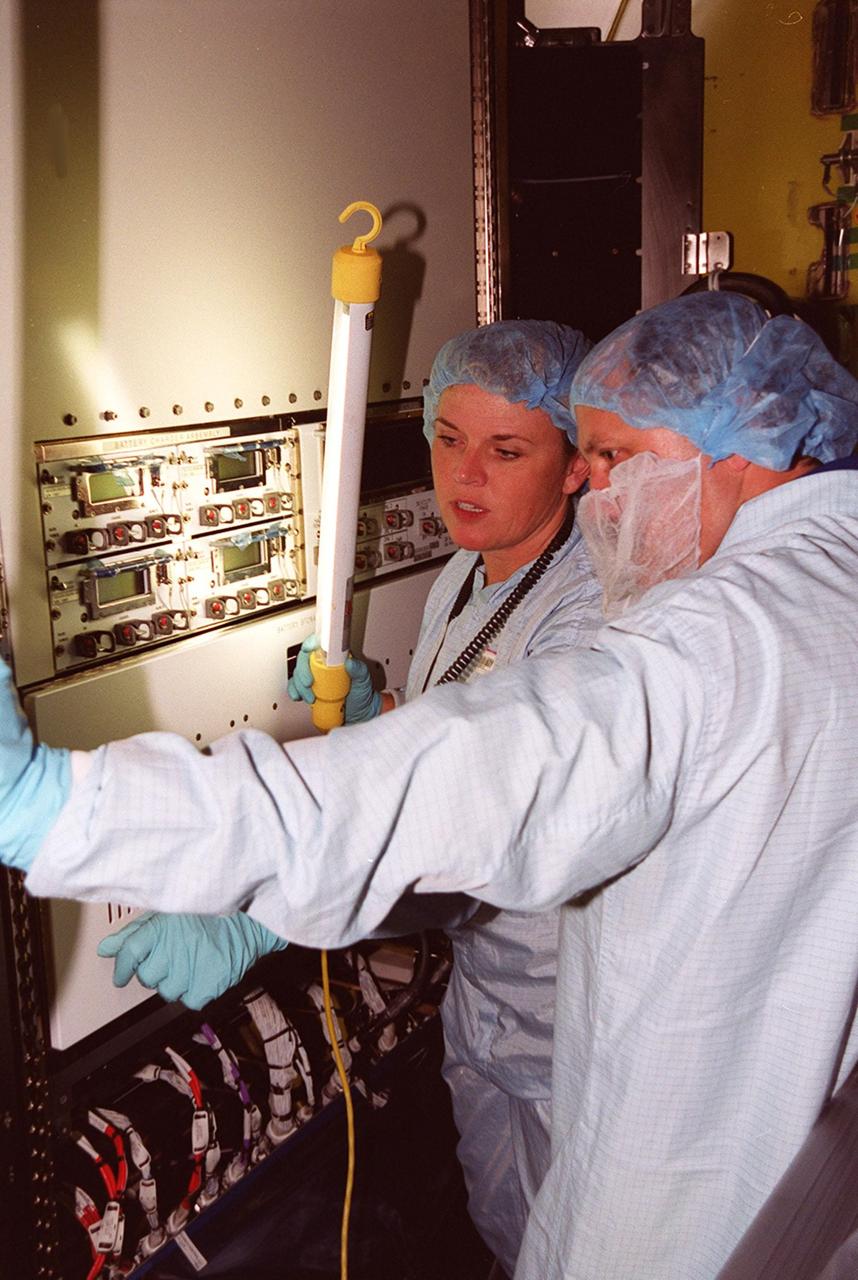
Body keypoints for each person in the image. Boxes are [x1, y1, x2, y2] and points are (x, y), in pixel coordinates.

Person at [5, 290, 858, 1279]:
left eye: (615, 456)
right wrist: (391, 712)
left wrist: (68, 810)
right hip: (562, 1036)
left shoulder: (710, 633)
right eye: (448, 439)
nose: (603, 495)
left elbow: (490, 774)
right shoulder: (818, 573)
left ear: (739, 444)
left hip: (663, 1136)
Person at [286, 319, 599, 1273]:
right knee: (505, 1226)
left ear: (575, 467)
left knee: (580, 1246)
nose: (464, 475)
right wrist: (382, 710)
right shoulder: (466, 571)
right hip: (485, 993)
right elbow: (452, 717)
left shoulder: (588, 611)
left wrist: (275, 900)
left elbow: (495, 810)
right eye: (449, 438)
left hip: (562, 1010)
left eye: (506, 451)